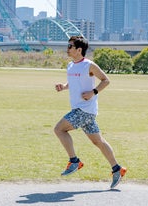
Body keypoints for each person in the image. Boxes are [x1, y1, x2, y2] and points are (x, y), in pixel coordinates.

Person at [54, 35, 127, 189]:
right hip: (81, 109)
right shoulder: (71, 66)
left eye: (70, 46)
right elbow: (74, 83)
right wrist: (64, 86)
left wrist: (93, 92)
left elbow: (106, 80)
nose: (67, 49)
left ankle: (74, 161)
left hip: (85, 110)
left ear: (79, 50)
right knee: (98, 141)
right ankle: (117, 169)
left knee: (59, 129)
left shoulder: (89, 65)